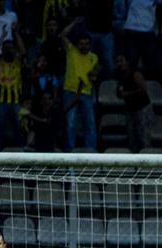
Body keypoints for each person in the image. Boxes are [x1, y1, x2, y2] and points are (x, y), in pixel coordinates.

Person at [60, 18, 99, 151]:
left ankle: (91, 153)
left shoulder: (94, 57)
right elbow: (63, 35)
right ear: (77, 44)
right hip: (70, 92)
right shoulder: (71, 51)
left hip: (86, 93)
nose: (84, 46)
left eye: (86, 44)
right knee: (70, 125)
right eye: (81, 44)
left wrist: (93, 75)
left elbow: (93, 75)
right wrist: (74, 23)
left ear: (90, 45)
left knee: (90, 124)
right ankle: (70, 155)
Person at [0, 33, 26, 150]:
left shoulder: (18, 62)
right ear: (3, 50)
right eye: (6, 48)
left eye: (11, 48)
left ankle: (21, 157)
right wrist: (2, 37)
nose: (9, 50)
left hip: (16, 102)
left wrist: (16, 33)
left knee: (19, 129)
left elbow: (23, 51)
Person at [116, 53, 153, 152]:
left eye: (121, 61)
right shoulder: (120, 74)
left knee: (144, 138)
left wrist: (127, 94)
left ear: (127, 61)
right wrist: (120, 94)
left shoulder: (135, 73)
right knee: (132, 138)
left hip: (142, 109)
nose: (119, 64)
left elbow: (143, 89)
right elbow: (119, 93)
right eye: (117, 61)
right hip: (130, 109)